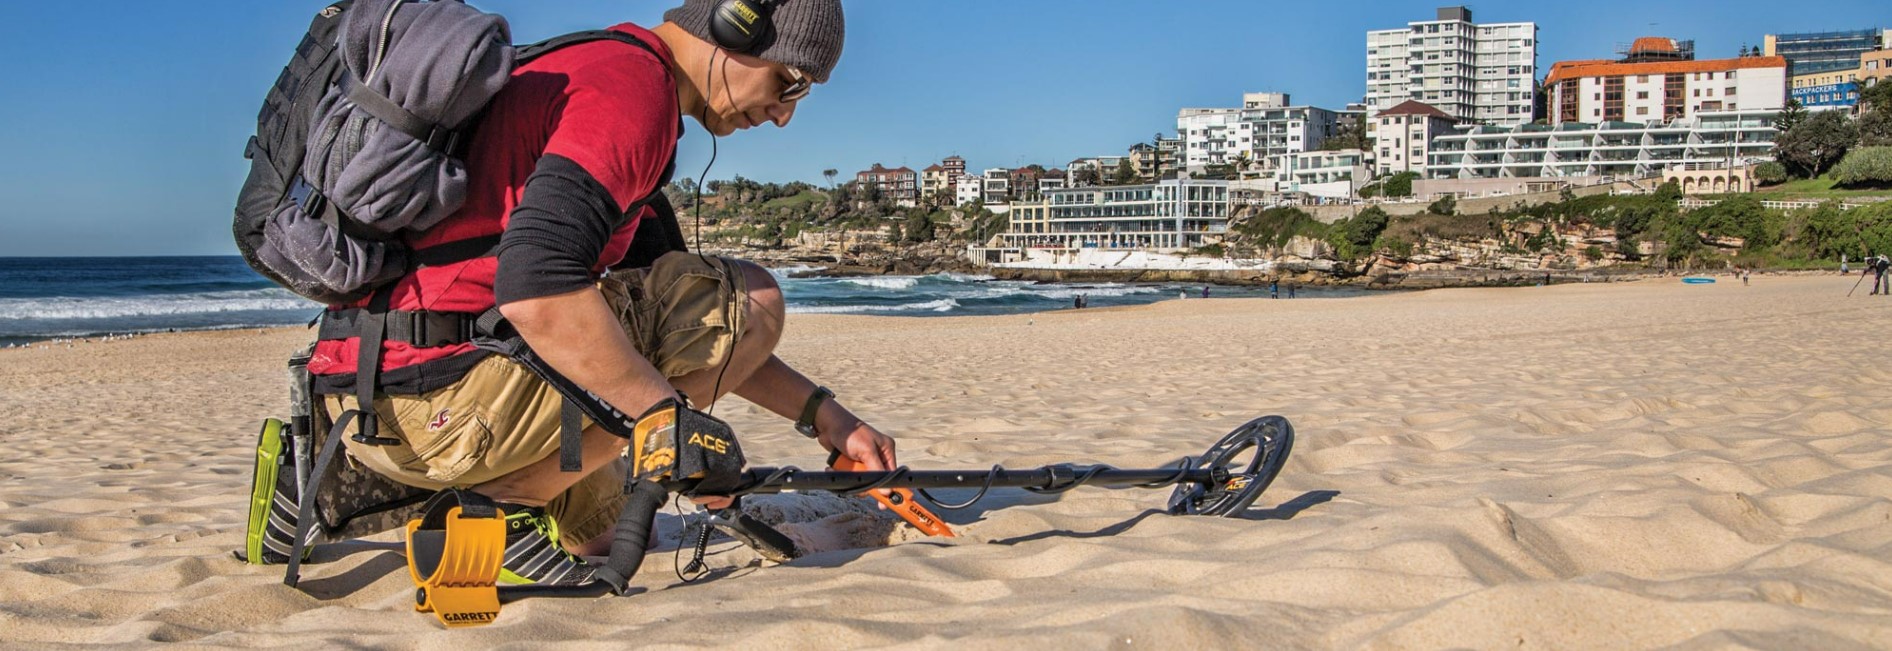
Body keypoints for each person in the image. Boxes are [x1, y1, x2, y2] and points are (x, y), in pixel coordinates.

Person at [294, 0, 888, 586]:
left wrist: (826, 417)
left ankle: (299, 490)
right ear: (736, 21)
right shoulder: (630, 94)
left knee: (608, 533)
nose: (784, 114)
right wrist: (669, 426)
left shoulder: (591, 63)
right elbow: (537, 292)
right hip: (447, 411)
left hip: (360, 410)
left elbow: (710, 346)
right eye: (788, 82)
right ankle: (502, 506)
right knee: (753, 296)